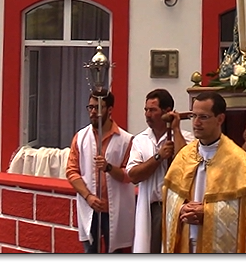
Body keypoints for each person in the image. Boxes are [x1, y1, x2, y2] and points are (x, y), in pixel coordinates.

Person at [162, 91, 246, 253]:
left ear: (220, 119)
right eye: (194, 116)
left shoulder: (239, 161)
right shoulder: (184, 156)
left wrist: (207, 213)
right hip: (186, 242)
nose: (196, 123)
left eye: (203, 117)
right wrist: (181, 208)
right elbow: (169, 196)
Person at [66, 92, 135, 253]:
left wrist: (109, 168)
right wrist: (88, 196)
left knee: (117, 252)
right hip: (90, 207)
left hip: (115, 209)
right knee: (91, 252)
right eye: (90, 107)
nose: (93, 112)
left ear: (109, 109)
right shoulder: (81, 137)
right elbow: (71, 171)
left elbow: (129, 175)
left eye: (98, 108)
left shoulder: (126, 140)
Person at [126, 89, 193, 253]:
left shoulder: (188, 138)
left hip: (179, 207)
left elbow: (187, 166)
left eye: (153, 110)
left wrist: (175, 129)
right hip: (153, 208)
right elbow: (133, 175)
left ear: (167, 111)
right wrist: (158, 157)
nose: (147, 114)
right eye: (146, 110)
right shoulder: (140, 140)